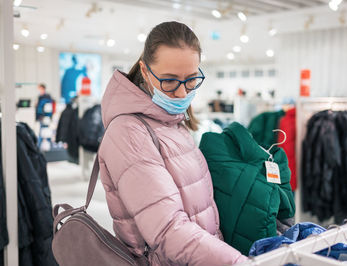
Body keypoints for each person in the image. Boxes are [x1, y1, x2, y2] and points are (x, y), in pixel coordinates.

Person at [98, 21, 247, 265]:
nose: (181, 94)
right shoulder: (128, 133)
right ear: (145, 72)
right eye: (169, 81)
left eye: (191, 80)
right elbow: (168, 230)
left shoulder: (171, 122)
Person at [36, 83, 54, 149]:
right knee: (43, 131)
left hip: (45, 117)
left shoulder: (45, 97)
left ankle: (40, 146)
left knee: (45, 131)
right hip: (43, 117)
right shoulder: (41, 97)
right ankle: (40, 146)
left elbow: (43, 108)